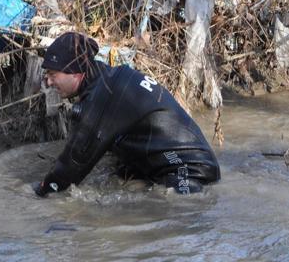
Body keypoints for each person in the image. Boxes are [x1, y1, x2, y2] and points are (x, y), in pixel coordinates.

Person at [34, 32, 220, 197]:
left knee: (171, 214)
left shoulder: (104, 96)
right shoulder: (109, 79)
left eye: (52, 74)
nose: (48, 82)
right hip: (181, 166)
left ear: (75, 72)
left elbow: (73, 164)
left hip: (188, 173)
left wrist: (41, 192)